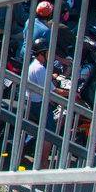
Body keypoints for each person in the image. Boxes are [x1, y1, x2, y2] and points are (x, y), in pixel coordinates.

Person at [26, 38, 67, 168]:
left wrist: (53, 77)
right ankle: (43, 162)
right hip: (38, 104)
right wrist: (71, 93)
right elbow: (54, 92)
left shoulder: (35, 66)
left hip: (33, 101)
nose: (50, 55)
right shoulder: (39, 69)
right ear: (41, 53)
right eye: (48, 52)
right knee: (49, 133)